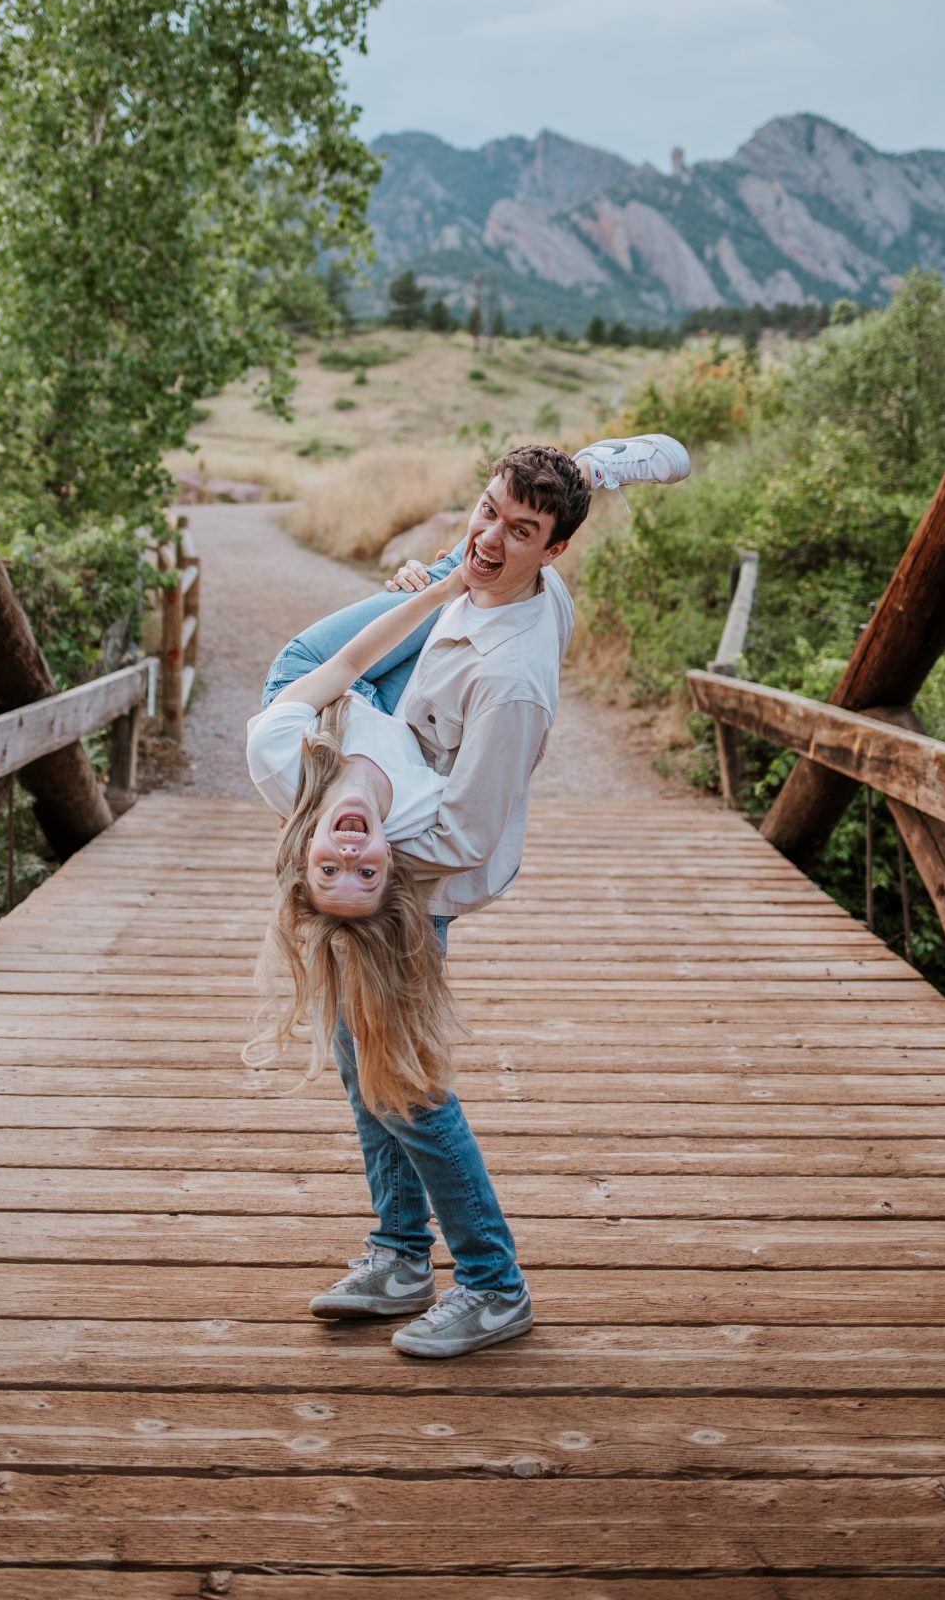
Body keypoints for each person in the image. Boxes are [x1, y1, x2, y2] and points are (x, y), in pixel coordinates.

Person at [245, 432, 690, 1359]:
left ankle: (492, 1284)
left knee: (402, 1084)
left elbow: (465, 836)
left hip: (417, 882)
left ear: (554, 552)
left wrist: (356, 853)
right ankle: (402, 1255)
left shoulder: (512, 682)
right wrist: (448, 578)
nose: (491, 539)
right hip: (398, 752)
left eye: (520, 529)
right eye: (487, 511)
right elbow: (479, 557)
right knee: (356, 1058)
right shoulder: (500, 571)